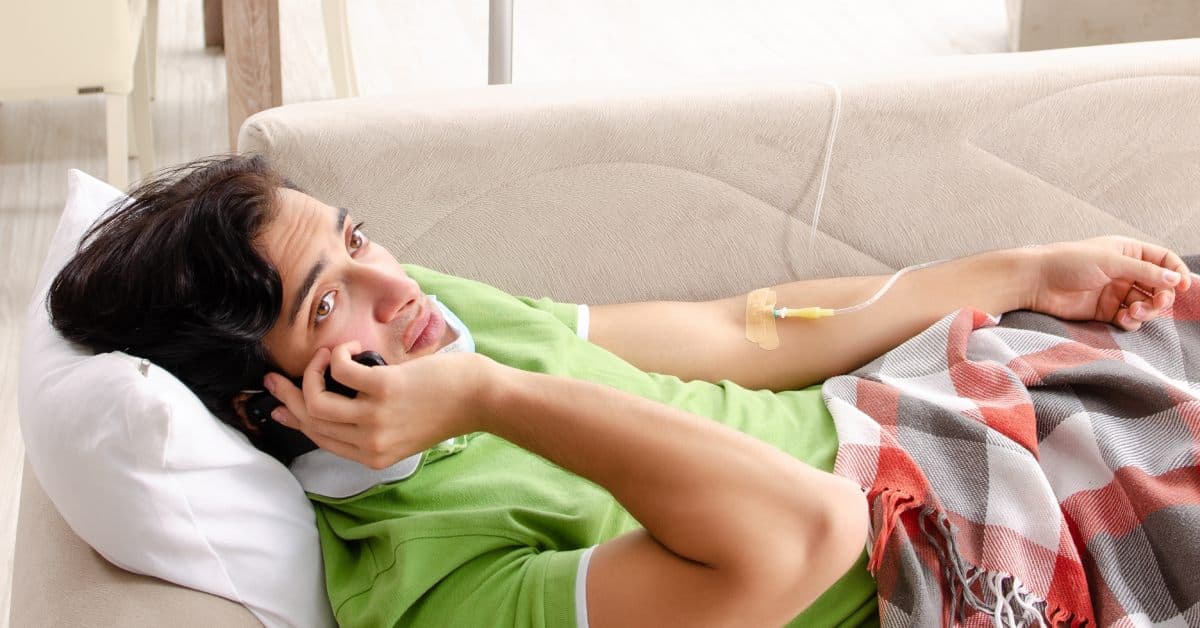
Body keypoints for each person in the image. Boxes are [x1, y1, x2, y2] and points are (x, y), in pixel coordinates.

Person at [48, 155, 1192, 627]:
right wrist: (492, 398)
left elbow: (726, 332)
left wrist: (1019, 272)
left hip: (949, 400)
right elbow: (810, 529)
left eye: (359, 237)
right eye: (322, 300)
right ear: (267, 407)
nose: (387, 280)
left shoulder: (415, 315)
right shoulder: (429, 582)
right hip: (948, 541)